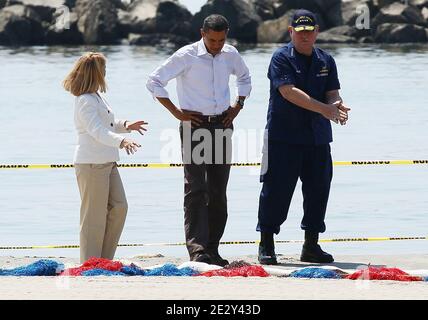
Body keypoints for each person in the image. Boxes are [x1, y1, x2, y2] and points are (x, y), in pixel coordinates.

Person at [146, 14, 252, 266]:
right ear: (202, 33)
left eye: (221, 40)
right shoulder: (186, 55)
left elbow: (245, 79)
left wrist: (237, 106)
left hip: (223, 125)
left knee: (218, 190)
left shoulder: (231, 53)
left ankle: (213, 249)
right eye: (212, 40)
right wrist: (176, 112)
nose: (217, 45)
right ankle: (198, 250)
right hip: (194, 126)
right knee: (195, 189)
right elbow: (154, 81)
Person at [257, 9, 350, 265]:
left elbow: (333, 92)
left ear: (317, 32)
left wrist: (338, 105)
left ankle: (311, 246)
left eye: (309, 31)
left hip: (318, 138)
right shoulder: (280, 58)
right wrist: (326, 109)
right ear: (291, 32)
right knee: (276, 190)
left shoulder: (326, 59)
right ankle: (266, 244)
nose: (305, 36)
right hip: (283, 136)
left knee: (318, 191)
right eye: (300, 32)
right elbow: (289, 92)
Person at [63, 52, 148, 263]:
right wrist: (122, 141)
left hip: (107, 162)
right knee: (93, 217)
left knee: (120, 207)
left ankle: (104, 260)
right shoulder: (85, 101)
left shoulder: (96, 97)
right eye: (104, 70)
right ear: (96, 73)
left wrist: (126, 126)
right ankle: (90, 263)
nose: (106, 73)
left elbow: (106, 124)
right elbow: (96, 131)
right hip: (91, 163)